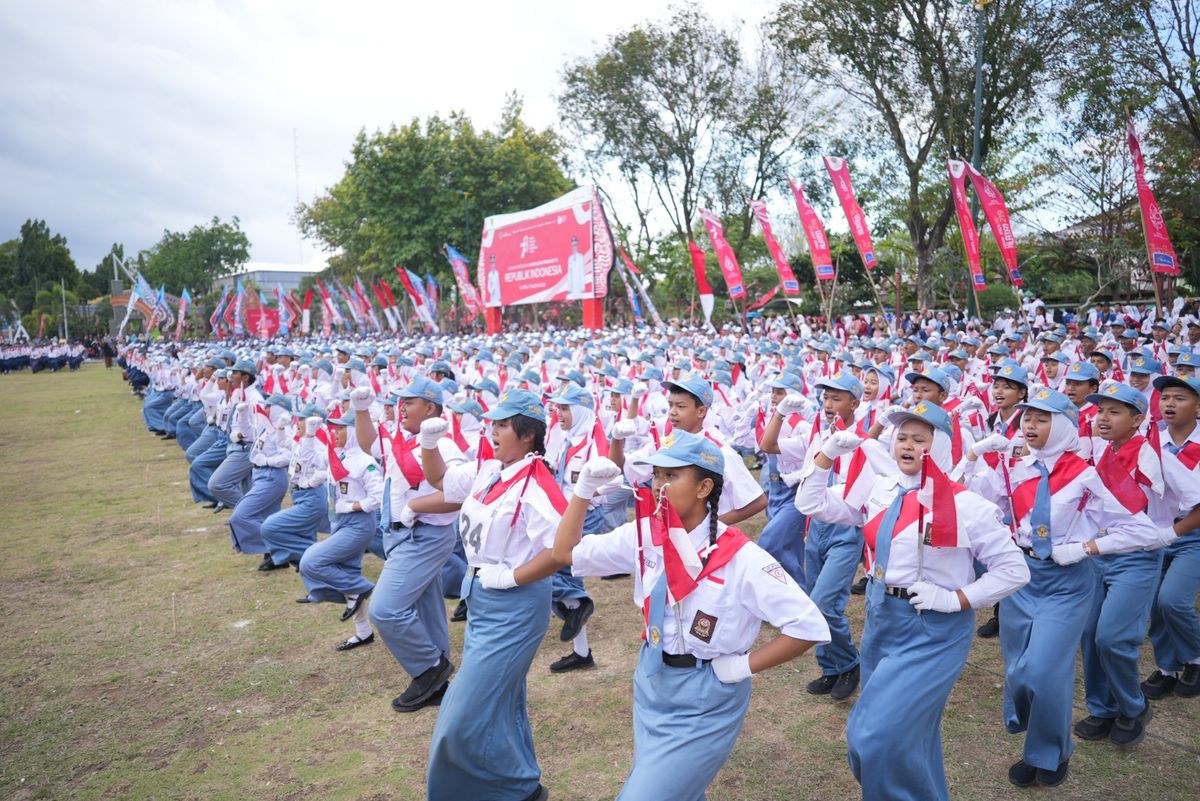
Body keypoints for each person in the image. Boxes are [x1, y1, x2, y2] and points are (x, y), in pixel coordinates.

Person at [551, 433, 829, 800]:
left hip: (707, 696)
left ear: (704, 487)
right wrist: (583, 491)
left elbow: (808, 626)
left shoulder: (742, 558)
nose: (660, 486)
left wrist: (741, 667)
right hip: (652, 680)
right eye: (657, 476)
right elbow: (565, 551)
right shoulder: (647, 536)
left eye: (672, 476)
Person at [797, 402, 1028, 801]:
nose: (907, 445)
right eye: (901, 437)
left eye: (919, 439)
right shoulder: (881, 487)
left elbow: (1014, 570)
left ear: (939, 447)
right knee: (900, 736)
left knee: (875, 737)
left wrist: (957, 598)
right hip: (882, 618)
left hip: (932, 630)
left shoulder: (965, 504)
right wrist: (827, 454)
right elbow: (812, 504)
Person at [961, 388, 1159, 787]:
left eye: (1042, 419)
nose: (1030, 426)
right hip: (1021, 579)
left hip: (1066, 583)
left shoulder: (1088, 473)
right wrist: (972, 457)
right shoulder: (1013, 467)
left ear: (1065, 425)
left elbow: (1144, 531)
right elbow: (963, 499)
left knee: (1043, 672)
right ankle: (1037, 739)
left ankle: (1050, 751)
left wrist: (1086, 547)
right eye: (1028, 419)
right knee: (1018, 672)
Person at [422, 389, 564, 801]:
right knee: (502, 702)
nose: (494, 431)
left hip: (515, 606)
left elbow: (561, 548)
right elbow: (439, 481)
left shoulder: (536, 484)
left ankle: (482, 790)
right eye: (493, 424)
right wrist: (429, 443)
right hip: (481, 599)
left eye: (503, 425)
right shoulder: (488, 469)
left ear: (527, 435)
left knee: (460, 714)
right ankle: (520, 785)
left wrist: (514, 577)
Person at [355, 379, 468, 711]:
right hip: (403, 533)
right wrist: (361, 410)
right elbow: (368, 445)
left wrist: (417, 506)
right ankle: (438, 680)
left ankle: (429, 668)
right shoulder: (404, 439)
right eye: (400, 402)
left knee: (386, 609)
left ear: (430, 408)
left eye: (409, 403)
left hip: (423, 535)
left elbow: (457, 494)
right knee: (426, 606)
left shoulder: (442, 446)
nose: (400, 408)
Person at [296, 411, 383, 651]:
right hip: (341, 523)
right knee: (348, 573)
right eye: (334, 429)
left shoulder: (365, 462)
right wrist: (309, 435)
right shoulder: (339, 455)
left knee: (311, 562)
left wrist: (352, 506)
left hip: (358, 525)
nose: (335, 433)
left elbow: (377, 497)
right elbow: (308, 460)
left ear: (353, 431)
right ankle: (363, 632)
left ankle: (363, 588)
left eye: (340, 429)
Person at [1145, 373, 1200, 699]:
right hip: (1155, 532)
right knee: (1154, 604)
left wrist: (1171, 533)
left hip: (1192, 535)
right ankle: (1167, 667)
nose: (1170, 404)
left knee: (1173, 600)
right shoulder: (1152, 441)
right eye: (1166, 398)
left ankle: (1194, 657)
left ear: (1197, 406)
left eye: (1179, 398)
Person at [259, 409, 331, 574]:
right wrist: (281, 428)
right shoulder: (303, 441)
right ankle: (313, 573)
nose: (297, 421)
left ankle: (322, 559)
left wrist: (314, 480)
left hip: (311, 496)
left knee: (270, 527)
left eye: (303, 418)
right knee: (305, 537)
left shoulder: (319, 444)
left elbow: (328, 466)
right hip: (301, 495)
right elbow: (284, 442)